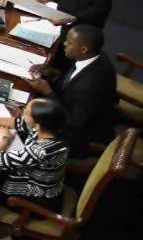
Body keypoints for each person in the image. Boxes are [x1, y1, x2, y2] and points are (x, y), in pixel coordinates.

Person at [26, 25, 117, 157]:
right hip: (70, 106)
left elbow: (73, 122)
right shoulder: (97, 56)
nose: (64, 44)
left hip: (75, 134)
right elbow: (75, 78)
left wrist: (48, 92)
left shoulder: (91, 84)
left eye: (69, 42)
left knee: (22, 119)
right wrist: (54, 72)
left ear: (83, 49)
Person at [0, 97, 69, 214]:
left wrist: (5, 139)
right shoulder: (51, 130)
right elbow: (18, 122)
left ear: (37, 125)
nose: (22, 111)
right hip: (44, 186)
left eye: (26, 112)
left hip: (34, 201)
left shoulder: (40, 151)